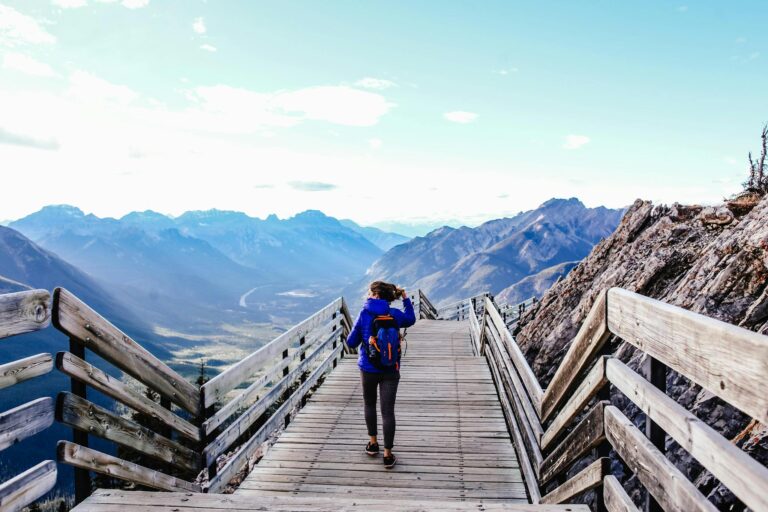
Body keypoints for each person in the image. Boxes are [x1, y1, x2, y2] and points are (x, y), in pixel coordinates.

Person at [345, 281, 416, 468]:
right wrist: (406, 298)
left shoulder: (364, 313)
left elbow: (351, 342)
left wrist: (362, 335)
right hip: (391, 369)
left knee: (369, 404)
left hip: (368, 368)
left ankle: (373, 444)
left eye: (369, 292)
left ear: (375, 294)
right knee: (388, 411)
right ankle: (387, 454)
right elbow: (411, 319)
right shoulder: (394, 314)